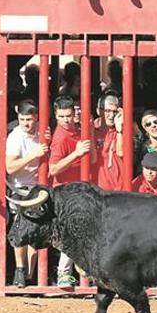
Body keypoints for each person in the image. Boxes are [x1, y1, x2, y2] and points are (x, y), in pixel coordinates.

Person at [48, 95, 92, 288]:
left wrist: (88, 131)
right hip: (65, 193)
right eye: (61, 116)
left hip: (78, 191)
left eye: (68, 116)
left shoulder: (78, 132)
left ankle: (79, 272)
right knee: (72, 232)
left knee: (79, 232)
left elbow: (91, 160)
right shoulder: (60, 138)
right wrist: (76, 153)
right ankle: (64, 274)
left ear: (74, 114)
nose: (65, 120)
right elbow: (53, 169)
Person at [5, 101, 48, 287]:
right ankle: (19, 270)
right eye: (22, 119)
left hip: (38, 187)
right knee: (20, 229)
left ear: (36, 117)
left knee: (35, 231)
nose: (25, 124)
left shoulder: (42, 131)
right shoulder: (15, 137)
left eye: (29, 119)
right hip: (20, 188)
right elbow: (10, 167)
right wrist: (34, 155)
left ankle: (29, 276)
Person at [95, 94, 124, 191]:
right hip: (96, 189)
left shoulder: (123, 131)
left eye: (115, 111)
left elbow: (121, 152)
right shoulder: (91, 129)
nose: (111, 116)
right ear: (99, 111)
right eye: (107, 111)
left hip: (118, 190)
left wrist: (120, 130)